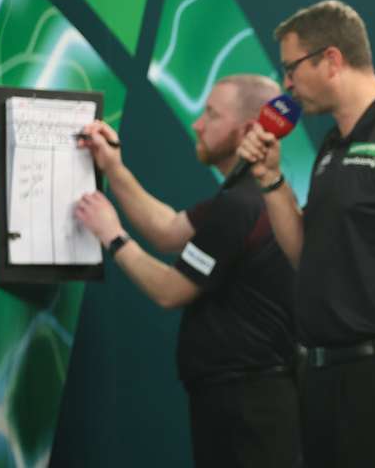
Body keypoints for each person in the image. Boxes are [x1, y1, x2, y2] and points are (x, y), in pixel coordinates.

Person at [237, 0, 375, 468]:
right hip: (320, 375)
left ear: (331, 60)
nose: (286, 85)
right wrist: (271, 181)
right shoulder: (332, 146)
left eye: (291, 69)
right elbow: (306, 254)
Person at [74, 74, 300, 468]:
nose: (197, 123)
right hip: (240, 399)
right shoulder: (240, 197)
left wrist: (113, 237)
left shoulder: (241, 205)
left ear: (246, 129)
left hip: (247, 406)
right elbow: (167, 230)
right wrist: (112, 165)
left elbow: (170, 290)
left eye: (211, 114)